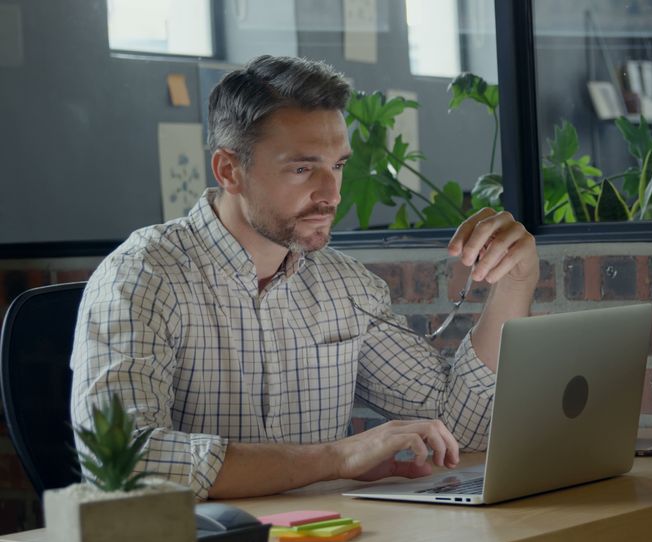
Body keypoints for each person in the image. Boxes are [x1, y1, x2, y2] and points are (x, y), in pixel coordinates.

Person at [70, 55, 539, 500]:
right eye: (302, 168)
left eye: (337, 166)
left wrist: (515, 284)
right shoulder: (142, 276)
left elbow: (461, 432)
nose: (330, 194)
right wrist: (335, 458)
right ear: (229, 170)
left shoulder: (346, 285)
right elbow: (120, 461)